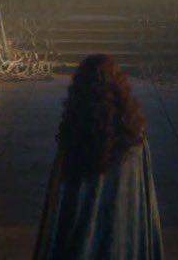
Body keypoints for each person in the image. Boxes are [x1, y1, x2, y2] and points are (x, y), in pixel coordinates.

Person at [34, 54, 164, 260]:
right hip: (122, 245)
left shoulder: (74, 139)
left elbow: (59, 207)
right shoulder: (135, 142)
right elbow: (145, 206)